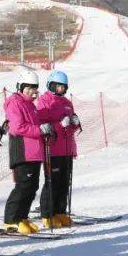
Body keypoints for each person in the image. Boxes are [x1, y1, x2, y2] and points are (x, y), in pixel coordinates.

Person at [2, 67, 57, 235]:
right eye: (29, 87)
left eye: (35, 87)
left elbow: (35, 126)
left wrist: (46, 130)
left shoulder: (30, 105)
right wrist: (40, 129)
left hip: (34, 153)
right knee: (23, 187)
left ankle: (22, 217)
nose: (33, 91)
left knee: (32, 187)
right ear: (21, 87)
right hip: (22, 151)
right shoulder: (15, 101)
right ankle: (11, 220)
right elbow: (17, 127)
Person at [35, 69, 81, 228]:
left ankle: (61, 211)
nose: (60, 89)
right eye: (58, 86)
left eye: (63, 87)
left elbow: (72, 128)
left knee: (64, 182)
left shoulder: (67, 103)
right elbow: (43, 125)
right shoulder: (44, 101)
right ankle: (48, 214)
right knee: (52, 182)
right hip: (52, 149)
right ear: (51, 85)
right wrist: (60, 125)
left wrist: (74, 123)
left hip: (67, 148)